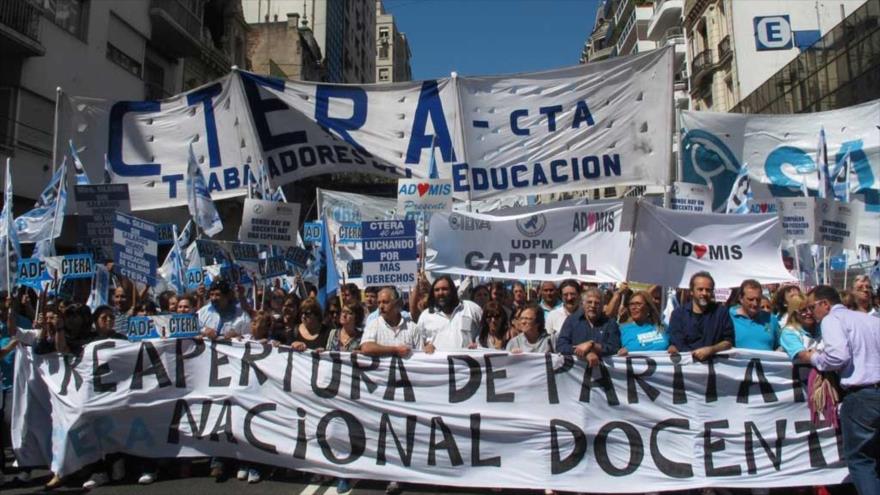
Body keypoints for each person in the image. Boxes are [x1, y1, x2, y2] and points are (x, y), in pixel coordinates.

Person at [807, 285, 880, 494]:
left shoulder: (832, 319)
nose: (812, 314)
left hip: (861, 395)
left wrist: (814, 358)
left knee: (861, 460)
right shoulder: (871, 319)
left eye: (812, 308)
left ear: (824, 304)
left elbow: (838, 356)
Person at [358, 287, 420, 495]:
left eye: (385, 302)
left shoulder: (412, 327)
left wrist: (428, 350)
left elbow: (422, 356)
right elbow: (366, 347)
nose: (380, 306)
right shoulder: (374, 324)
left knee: (407, 432)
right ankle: (393, 475)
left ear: (396, 304)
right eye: (379, 303)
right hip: (383, 391)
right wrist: (394, 350)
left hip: (409, 390)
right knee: (387, 431)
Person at [666, 271, 734, 361]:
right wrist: (696, 354)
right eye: (700, 289)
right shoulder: (678, 314)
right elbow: (677, 343)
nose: (704, 293)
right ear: (691, 291)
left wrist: (711, 350)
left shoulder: (721, 313)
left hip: (716, 368)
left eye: (708, 290)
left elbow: (728, 342)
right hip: (687, 367)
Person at [556, 287, 620, 366]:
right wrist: (584, 352)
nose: (593, 306)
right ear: (583, 304)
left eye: (597, 303)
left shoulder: (610, 323)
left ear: (603, 305)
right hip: (576, 373)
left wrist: (593, 346)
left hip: (604, 374)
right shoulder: (571, 321)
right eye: (589, 302)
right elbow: (561, 346)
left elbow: (615, 348)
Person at [419, 275, 482, 353]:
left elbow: (487, 335)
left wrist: (479, 346)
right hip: (440, 364)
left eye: (445, 289)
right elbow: (419, 344)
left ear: (452, 290)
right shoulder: (425, 316)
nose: (440, 293)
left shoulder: (472, 308)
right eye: (437, 290)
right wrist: (425, 348)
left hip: (470, 363)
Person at [731, 279, 780, 351]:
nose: (755, 303)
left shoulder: (771, 319)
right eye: (751, 299)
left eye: (758, 299)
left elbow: (779, 345)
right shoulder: (729, 318)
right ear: (741, 298)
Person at [617, 290, 669, 356]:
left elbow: (671, 344)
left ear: (648, 307)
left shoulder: (661, 327)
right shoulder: (621, 329)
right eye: (631, 304)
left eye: (638, 304)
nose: (633, 307)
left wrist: (672, 347)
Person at [778, 294, 820, 363]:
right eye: (803, 310)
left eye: (811, 308)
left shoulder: (821, 326)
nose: (809, 312)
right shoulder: (789, 332)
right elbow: (803, 356)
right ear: (794, 314)